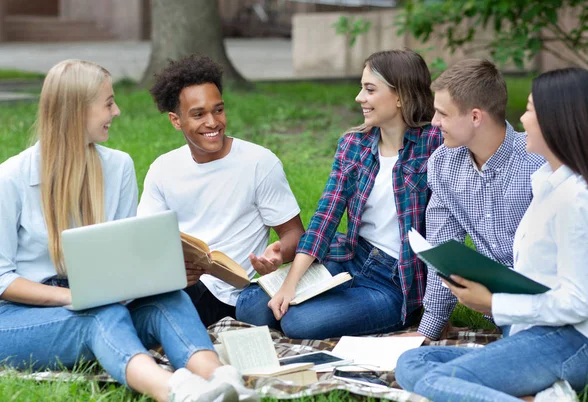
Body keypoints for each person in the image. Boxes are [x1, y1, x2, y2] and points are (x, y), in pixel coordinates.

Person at [0, 60, 257, 402]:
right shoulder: (11, 179)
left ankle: (221, 380)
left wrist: (153, 276)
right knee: (98, 314)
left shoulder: (117, 167)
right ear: (76, 111)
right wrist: (73, 298)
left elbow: (120, 260)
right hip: (20, 318)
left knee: (170, 298)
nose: (117, 111)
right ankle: (175, 392)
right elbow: (2, 279)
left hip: (99, 300)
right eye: (107, 103)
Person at [396, 67, 588, 401]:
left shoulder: (572, 198)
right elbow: (442, 244)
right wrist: (430, 327)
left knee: (435, 382)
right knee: (413, 362)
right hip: (536, 327)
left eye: (531, 108)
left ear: (556, 121)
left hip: (573, 339)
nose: (520, 117)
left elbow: (578, 304)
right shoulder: (548, 185)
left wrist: (492, 302)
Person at [236, 49, 443, 339]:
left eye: (370, 89)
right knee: (249, 307)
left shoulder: (435, 146)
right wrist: (290, 284)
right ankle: (325, 299)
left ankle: (347, 308)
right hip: (349, 257)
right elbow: (325, 217)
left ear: (400, 96)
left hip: (393, 282)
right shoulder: (353, 144)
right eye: (362, 88)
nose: (359, 97)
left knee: (299, 323)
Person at [137, 55, 304, 327]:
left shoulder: (259, 162)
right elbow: (146, 240)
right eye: (198, 114)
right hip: (185, 285)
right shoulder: (162, 169)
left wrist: (278, 254)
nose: (213, 122)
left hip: (240, 292)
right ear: (176, 120)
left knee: (153, 317)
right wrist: (172, 269)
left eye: (218, 110)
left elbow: (294, 233)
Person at [412, 59, 545, 341]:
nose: (434, 123)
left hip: (547, 298)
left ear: (475, 117)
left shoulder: (537, 161)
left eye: (442, 114)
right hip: (499, 306)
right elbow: (442, 251)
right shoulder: (443, 165)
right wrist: (428, 330)